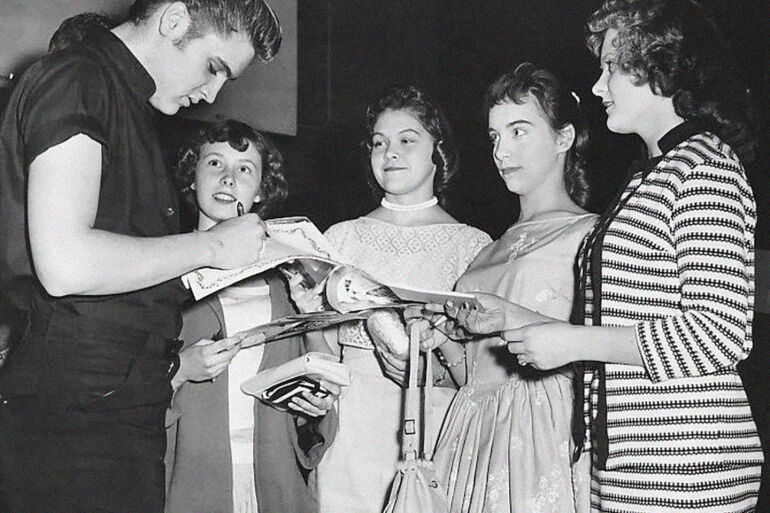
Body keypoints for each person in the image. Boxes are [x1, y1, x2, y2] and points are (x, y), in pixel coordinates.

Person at [438, 1, 764, 511]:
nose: (597, 86)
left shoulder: (703, 170)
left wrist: (571, 342)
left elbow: (718, 333)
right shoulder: (649, 176)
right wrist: (512, 317)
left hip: (685, 465)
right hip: (630, 463)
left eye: (611, 66)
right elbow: (624, 317)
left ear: (661, 68)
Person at [0, 1, 281, 511]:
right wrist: (213, 246)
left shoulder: (131, 107)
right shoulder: (79, 78)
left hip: (118, 413)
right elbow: (65, 264)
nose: (212, 93)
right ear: (173, 20)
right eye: (214, 67)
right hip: (76, 418)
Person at [420, 63, 595, 513]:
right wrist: (436, 341)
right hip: (469, 432)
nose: (501, 150)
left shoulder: (591, 234)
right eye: (495, 136)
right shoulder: (486, 251)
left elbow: (604, 358)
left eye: (519, 131)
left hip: (541, 433)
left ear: (564, 137)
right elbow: (471, 372)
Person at [308, 86, 491, 513]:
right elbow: (323, 356)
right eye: (379, 142)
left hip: (434, 432)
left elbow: (481, 372)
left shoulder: (473, 246)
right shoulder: (339, 239)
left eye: (407, 140)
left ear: (438, 152)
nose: (390, 152)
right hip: (349, 435)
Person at [164, 119, 339, 513]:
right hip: (190, 481)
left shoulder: (289, 282)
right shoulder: (163, 276)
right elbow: (124, 395)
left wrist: (312, 324)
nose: (228, 178)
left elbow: (319, 415)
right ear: (191, 177)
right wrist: (179, 369)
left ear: (261, 190)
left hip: (273, 482)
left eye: (244, 169)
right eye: (214, 164)